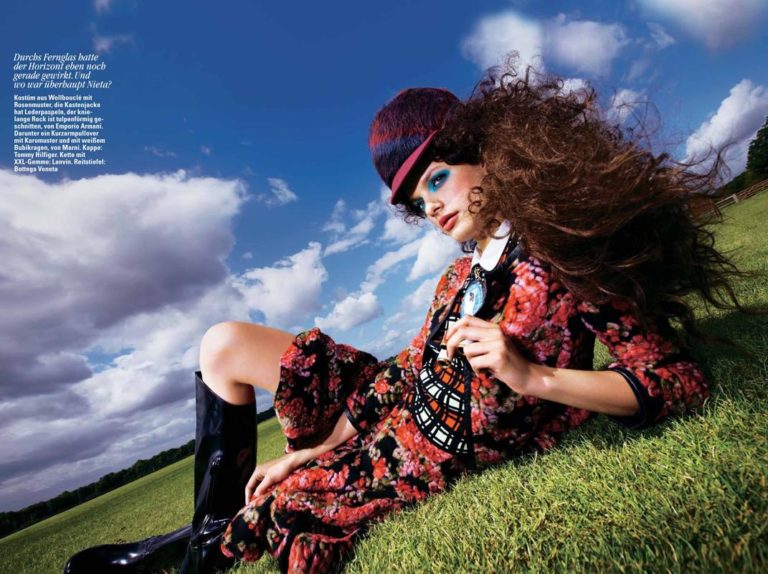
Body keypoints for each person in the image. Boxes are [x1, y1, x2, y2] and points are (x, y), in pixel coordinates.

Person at [65, 61, 744, 574]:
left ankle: (197, 549)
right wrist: (315, 446)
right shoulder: (457, 277)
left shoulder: (566, 253)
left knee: (285, 504)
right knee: (224, 342)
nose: (432, 208)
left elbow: (676, 380)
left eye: (437, 178)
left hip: (425, 453)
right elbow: (405, 374)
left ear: (491, 155)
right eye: (418, 201)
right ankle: (206, 531)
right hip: (390, 412)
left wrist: (533, 377)